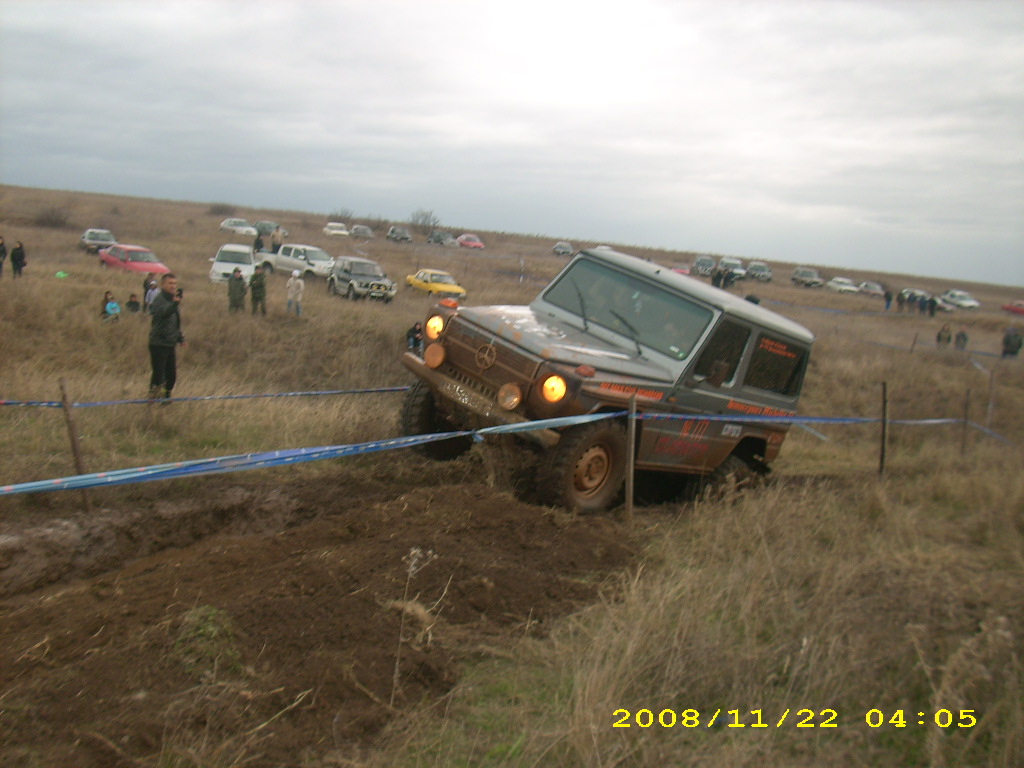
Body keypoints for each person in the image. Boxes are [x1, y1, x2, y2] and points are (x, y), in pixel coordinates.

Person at [148, 273, 185, 401]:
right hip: (158, 343)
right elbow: (165, 313)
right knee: (158, 376)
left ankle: (165, 396)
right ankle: (153, 398)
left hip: (170, 343)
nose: (173, 286)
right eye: (170, 283)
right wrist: (175, 304)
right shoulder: (159, 300)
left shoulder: (172, 300)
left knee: (171, 376)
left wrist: (180, 338)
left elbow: (175, 322)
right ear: (163, 284)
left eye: (175, 283)